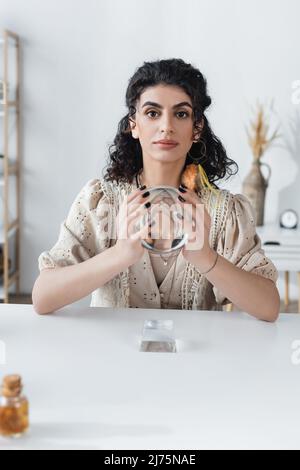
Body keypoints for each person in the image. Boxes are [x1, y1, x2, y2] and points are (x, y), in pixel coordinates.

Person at [32, 58, 280, 321]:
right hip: (112, 359)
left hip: (198, 360)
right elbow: (43, 297)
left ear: (197, 128)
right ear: (133, 124)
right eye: (152, 113)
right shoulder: (100, 202)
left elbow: (269, 308)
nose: (166, 126)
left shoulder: (225, 212)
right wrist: (120, 254)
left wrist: (206, 258)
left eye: (181, 113)